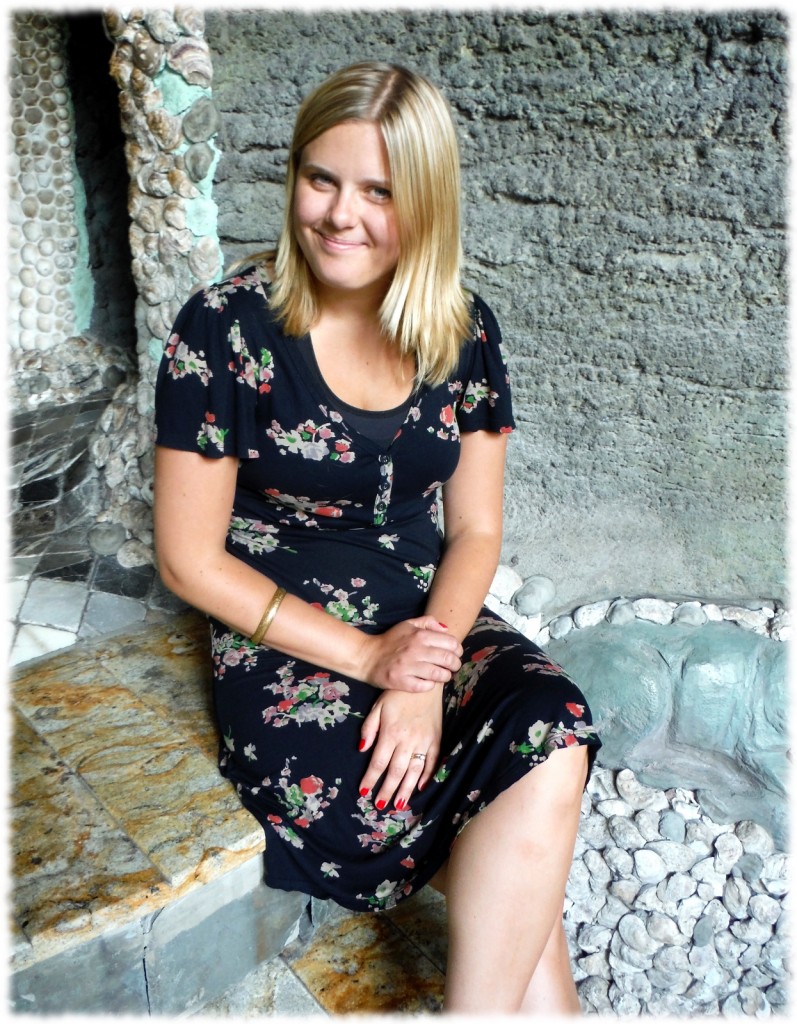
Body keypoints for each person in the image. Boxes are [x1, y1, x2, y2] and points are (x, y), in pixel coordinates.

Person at [153, 60, 601, 1014]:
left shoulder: (461, 329)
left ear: (425, 203)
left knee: (551, 728)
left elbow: (475, 529)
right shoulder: (224, 330)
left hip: (427, 616)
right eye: (321, 179)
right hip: (288, 634)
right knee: (512, 822)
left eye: (379, 191)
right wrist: (373, 664)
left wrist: (424, 676)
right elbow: (188, 560)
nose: (339, 215)